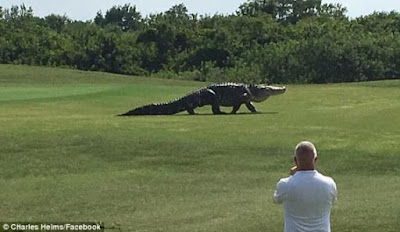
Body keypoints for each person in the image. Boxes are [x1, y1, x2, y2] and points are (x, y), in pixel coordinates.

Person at [273, 141, 337, 232]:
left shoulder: (285, 185)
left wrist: (292, 176)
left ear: (295, 160)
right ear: (315, 160)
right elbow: (332, 200)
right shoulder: (329, 184)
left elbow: (276, 199)